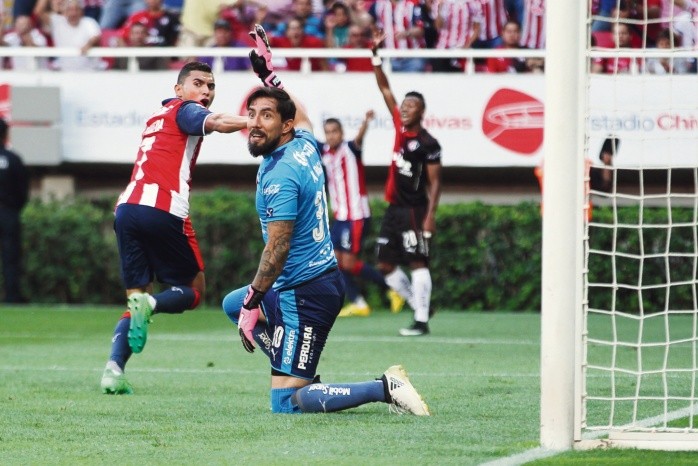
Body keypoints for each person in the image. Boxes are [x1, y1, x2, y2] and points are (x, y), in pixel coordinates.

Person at [221, 24, 430, 416]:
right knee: (232, 304)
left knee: (287, 404)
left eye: (266, 115)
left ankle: (385, 387)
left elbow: (277, 249)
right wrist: (269, 76)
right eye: (251, 114)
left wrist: (254, 302)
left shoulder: (281, 175)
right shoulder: (302, 143)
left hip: (304, 292)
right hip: (307, 281)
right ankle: (294, 365)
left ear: (283, 126)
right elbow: (301, 116)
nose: (254, 123)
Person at [99, 61, 249, 395]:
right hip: (163, 209)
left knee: (136, 298)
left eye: (211, 86)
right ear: (178, 89)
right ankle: (152, 306)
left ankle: (113, 370)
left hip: (126, 209)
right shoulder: (186, 110)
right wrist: (257, 121)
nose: (206, 91)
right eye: (198, 83)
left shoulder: (157, 117)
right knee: (193, 290)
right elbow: (218, 122)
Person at [370, 30, 442, 337]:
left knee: (417, 262)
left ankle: (421, 321)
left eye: (411, 106)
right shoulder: (400, 129)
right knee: (384, 267)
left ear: (421, 112)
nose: (404, 108)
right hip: (393, 209)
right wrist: (376, 57)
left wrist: (430, 215)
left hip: (415, 210)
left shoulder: (428, 143)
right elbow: (385, 88)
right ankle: (419, 305)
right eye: (404, 105)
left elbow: (435, 183)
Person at [321, 111, 405, 317]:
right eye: (328, 132)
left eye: (335, 131)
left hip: (356, 216)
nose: (331, 135)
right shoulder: (325, 153)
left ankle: (394, 288)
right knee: (333, 262)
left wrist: (366, 122)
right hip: (340, 218)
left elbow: (359, 138)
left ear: (341, 133)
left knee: (348, 263)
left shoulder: (350, 149)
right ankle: (359, 303)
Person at [0, 118, 30, 304]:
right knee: (10, 256)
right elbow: (22, 191)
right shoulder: (13, 159)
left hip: (8, 211)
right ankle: (12, 296)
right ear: (5, 135)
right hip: (8, 213)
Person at [34, 0, 104, 71]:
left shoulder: (89, 22)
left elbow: (95, 36)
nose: (73, 13)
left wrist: (88, 45)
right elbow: (39, 12)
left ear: (82, 11)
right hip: (65, 72)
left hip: (90, 72)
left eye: (77, 9)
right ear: (64, 12)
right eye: (70, 9)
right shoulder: (57, 22)